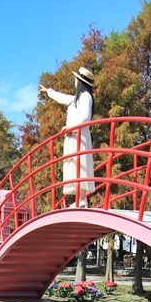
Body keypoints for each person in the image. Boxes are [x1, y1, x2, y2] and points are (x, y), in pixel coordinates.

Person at [40, 67, 95, 207]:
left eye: (76, 79)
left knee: (80, 164)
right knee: (74, 164)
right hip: (74, 136)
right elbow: (63, 98)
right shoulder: (76, 99)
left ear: (80, 81)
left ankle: (82, 199)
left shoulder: (85, 97)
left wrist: (72, 127)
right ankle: (79, 199)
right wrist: (49, 92)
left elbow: (85, 116)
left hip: (79, 136)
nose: (75, 81)